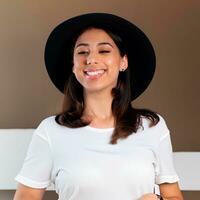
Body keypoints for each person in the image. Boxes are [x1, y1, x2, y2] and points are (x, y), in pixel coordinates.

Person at [13, 13, 183, 200]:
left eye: (104, 51)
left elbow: (173, 196)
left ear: (123, 62)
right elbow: (26, 195)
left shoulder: (152, 126)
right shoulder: (50, 131)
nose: (91, 59)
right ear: (73, 64)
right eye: (82, 52)